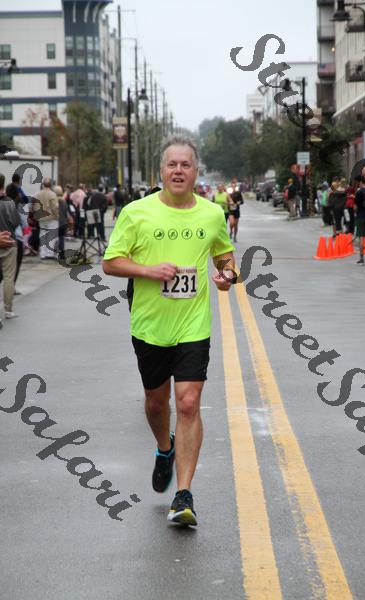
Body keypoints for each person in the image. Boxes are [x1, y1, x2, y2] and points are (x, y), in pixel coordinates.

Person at [102, 136, 236, 527]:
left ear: (196, 171)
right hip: (149, 325)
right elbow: (111, 262)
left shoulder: (212, 214)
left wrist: (228, 276)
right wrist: (149, 270)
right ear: (161, 171)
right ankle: (165, 447)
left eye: (185, 164)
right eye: (172, 164)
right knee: (156, 403)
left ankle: (184, 493)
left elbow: (226, 257)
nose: (178, 170)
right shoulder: (136, 213)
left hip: (193, 324)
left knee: (189, 403)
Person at [0, 173, 20, 323]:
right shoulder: (9, 202)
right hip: (8, 242)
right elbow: (15, 221)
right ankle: (8, 309)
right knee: (8, 277)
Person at [33, 177, 59, 259]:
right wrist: (57, 216)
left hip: (41, 218)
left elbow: (34, 206)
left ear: (43, 184)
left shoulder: (38, 194)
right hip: (51, 218)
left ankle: (42, 253)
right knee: (51, 235)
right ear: (51, 185)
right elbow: (54, 207)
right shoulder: (52, 194)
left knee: (43, 235)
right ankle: (49, 253)